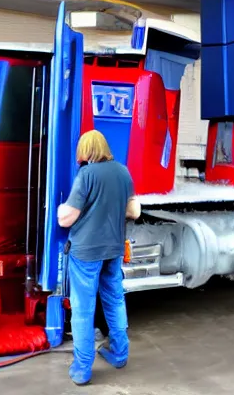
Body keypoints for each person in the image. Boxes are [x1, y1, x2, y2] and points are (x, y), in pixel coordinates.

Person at [57, 129, 141, 386]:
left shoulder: (86, 175)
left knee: (83, 309)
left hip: (86, 252)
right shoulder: (123, 171)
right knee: (115, 300)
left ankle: (82, 369)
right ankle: (119, 353)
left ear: (86, 151)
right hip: (113, 249)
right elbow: (134, 211)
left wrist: (60, 208)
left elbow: (66, 218)